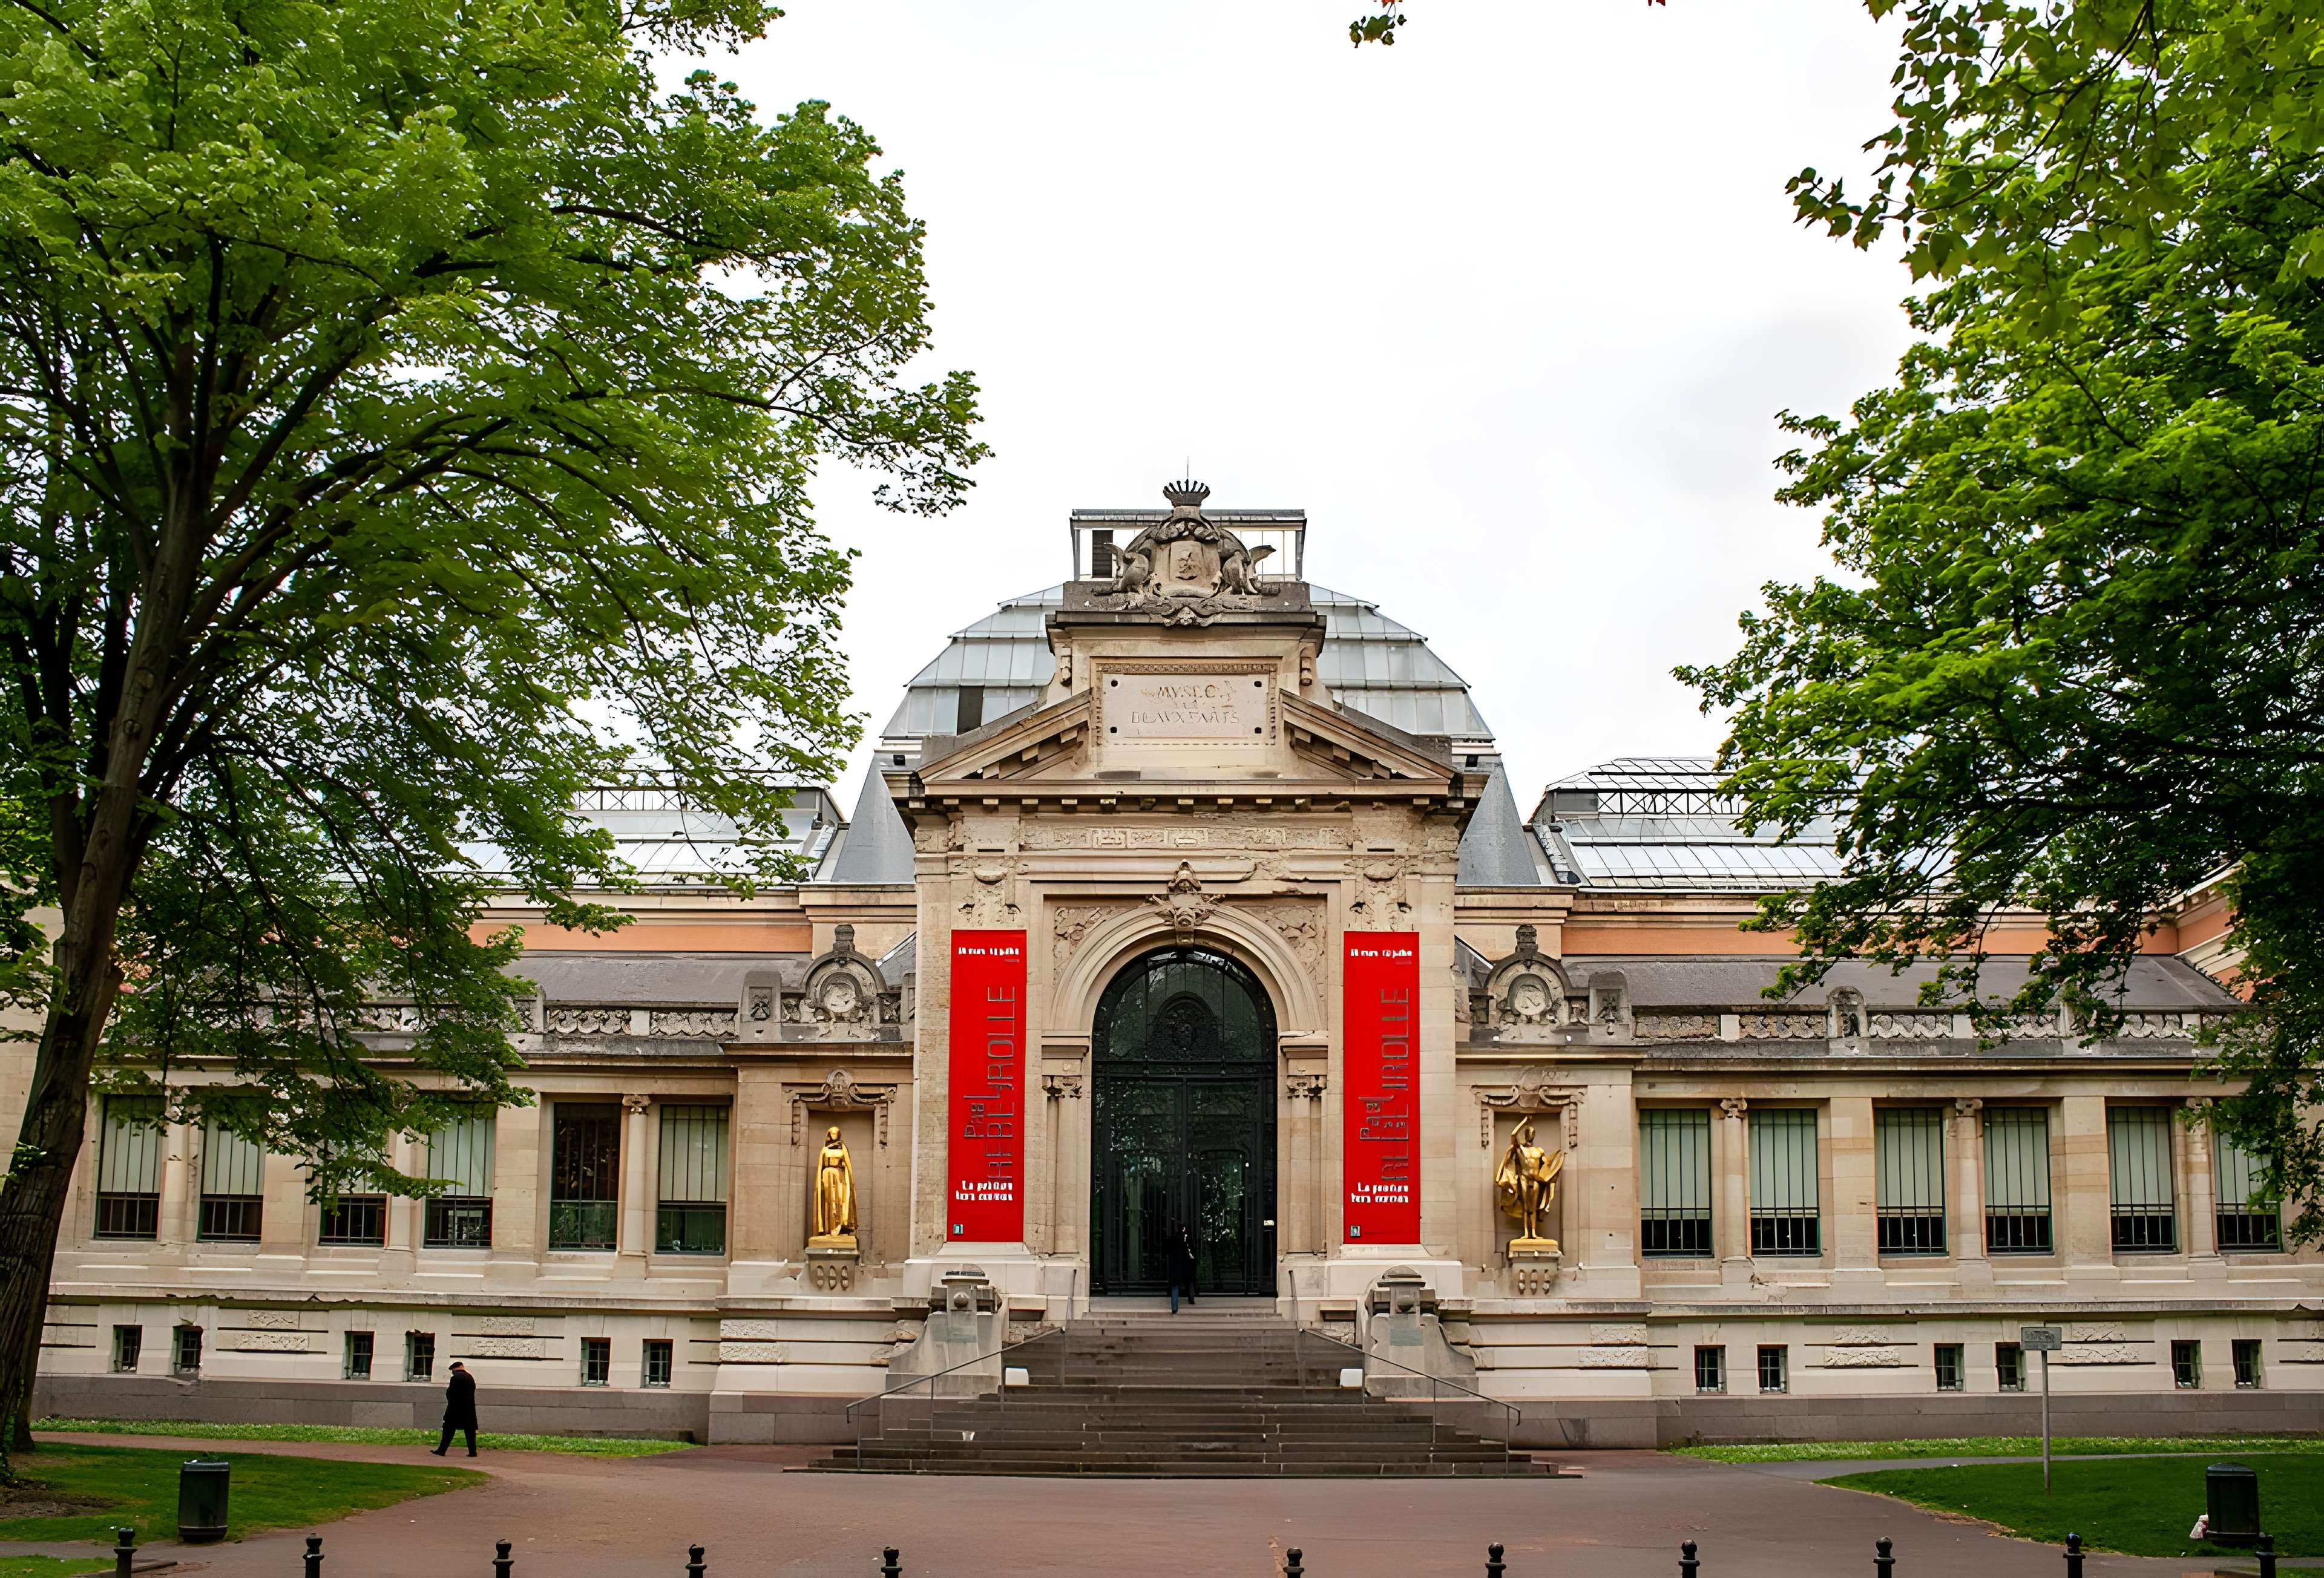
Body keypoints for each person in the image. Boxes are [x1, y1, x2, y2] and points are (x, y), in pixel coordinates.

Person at [431, 1360, 478, 1456]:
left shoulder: (456, 1378)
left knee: (448, 1429)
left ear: (456, 1369)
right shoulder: (470, 1377)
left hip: (455, 1409)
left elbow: (451, 1393)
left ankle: (442, 1450)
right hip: (469, 1409)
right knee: (470, 1431)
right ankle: (473, 1452)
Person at [1167, 1225, 1197, 1314]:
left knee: (1175, 1288)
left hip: (1174, 1267)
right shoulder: (1185, 1244)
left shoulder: (1172, 1241)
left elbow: (1167, 1252)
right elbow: (1189, 1255)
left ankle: (1175, 1308)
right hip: (1183, 1266)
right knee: (1188, 1282)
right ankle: (1190, 1298)